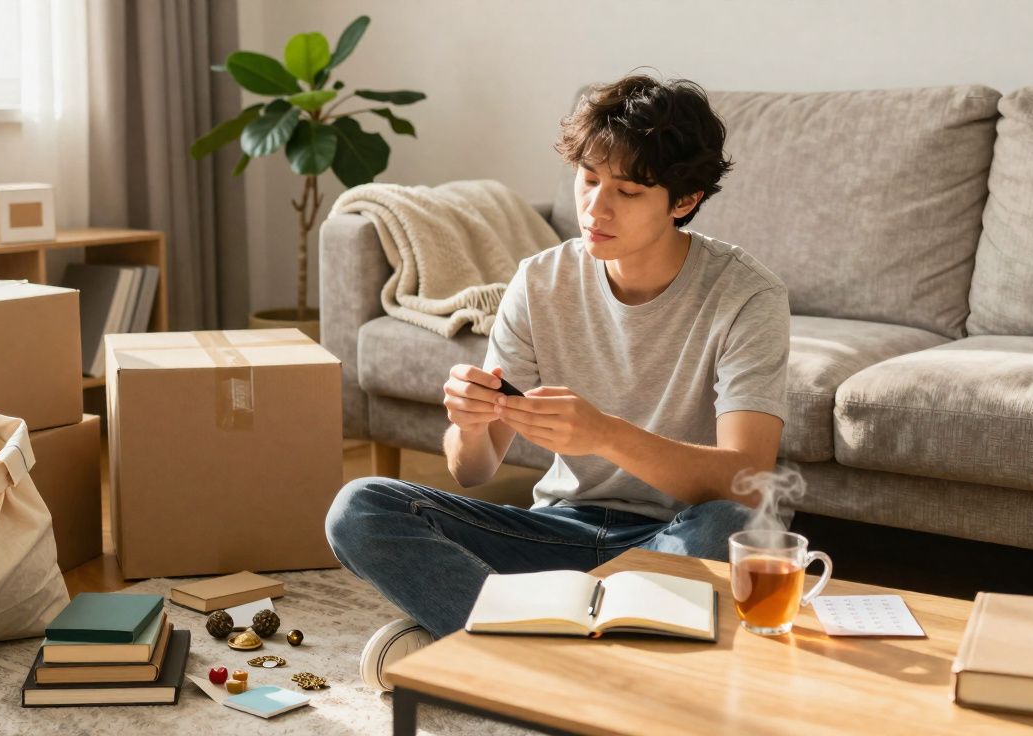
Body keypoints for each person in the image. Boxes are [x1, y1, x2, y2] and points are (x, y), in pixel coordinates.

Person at [325, 73, 790, 692]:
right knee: (360, 507)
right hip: (558, 531)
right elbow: (472, 472)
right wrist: (470, 424)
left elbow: (748, 479)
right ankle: (585, 669)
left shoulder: (746, 295)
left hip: (677, 536)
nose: (595, 208)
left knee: (731, 523)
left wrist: (604, 434)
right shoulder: (540, 280)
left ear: (683, 201)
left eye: (626, 191)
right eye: (589, 179)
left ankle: (498, 650)